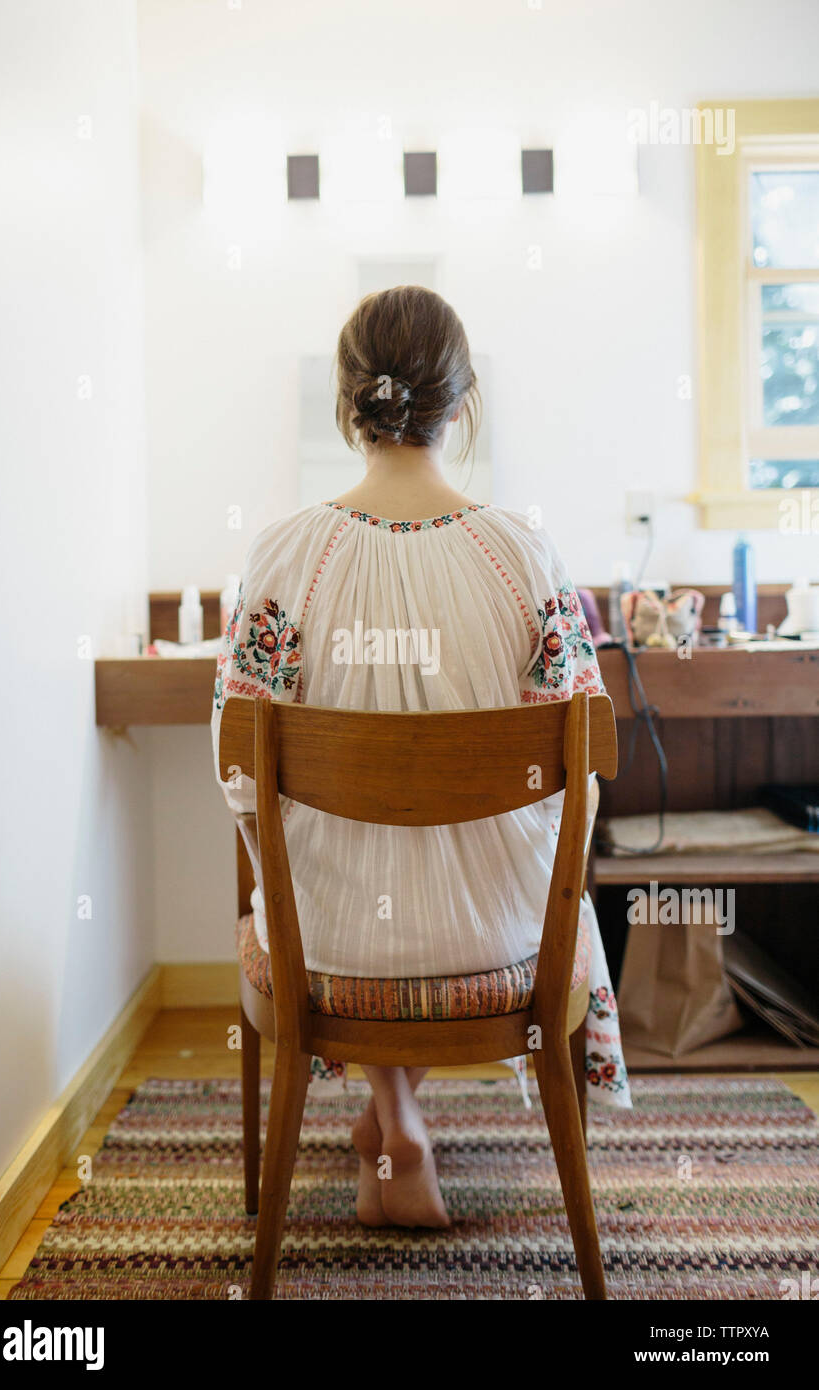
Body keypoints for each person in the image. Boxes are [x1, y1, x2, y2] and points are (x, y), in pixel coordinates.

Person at [212, 285, 631, 1231]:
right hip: (504, 938)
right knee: (464, 868)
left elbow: (234, 773)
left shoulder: (281, 559)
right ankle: (397, 1122)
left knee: (351, 870)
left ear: (346, 400)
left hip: (328, 943)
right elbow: (586, 780)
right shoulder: (524, 556)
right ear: (463, 401)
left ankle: (391, 1121)